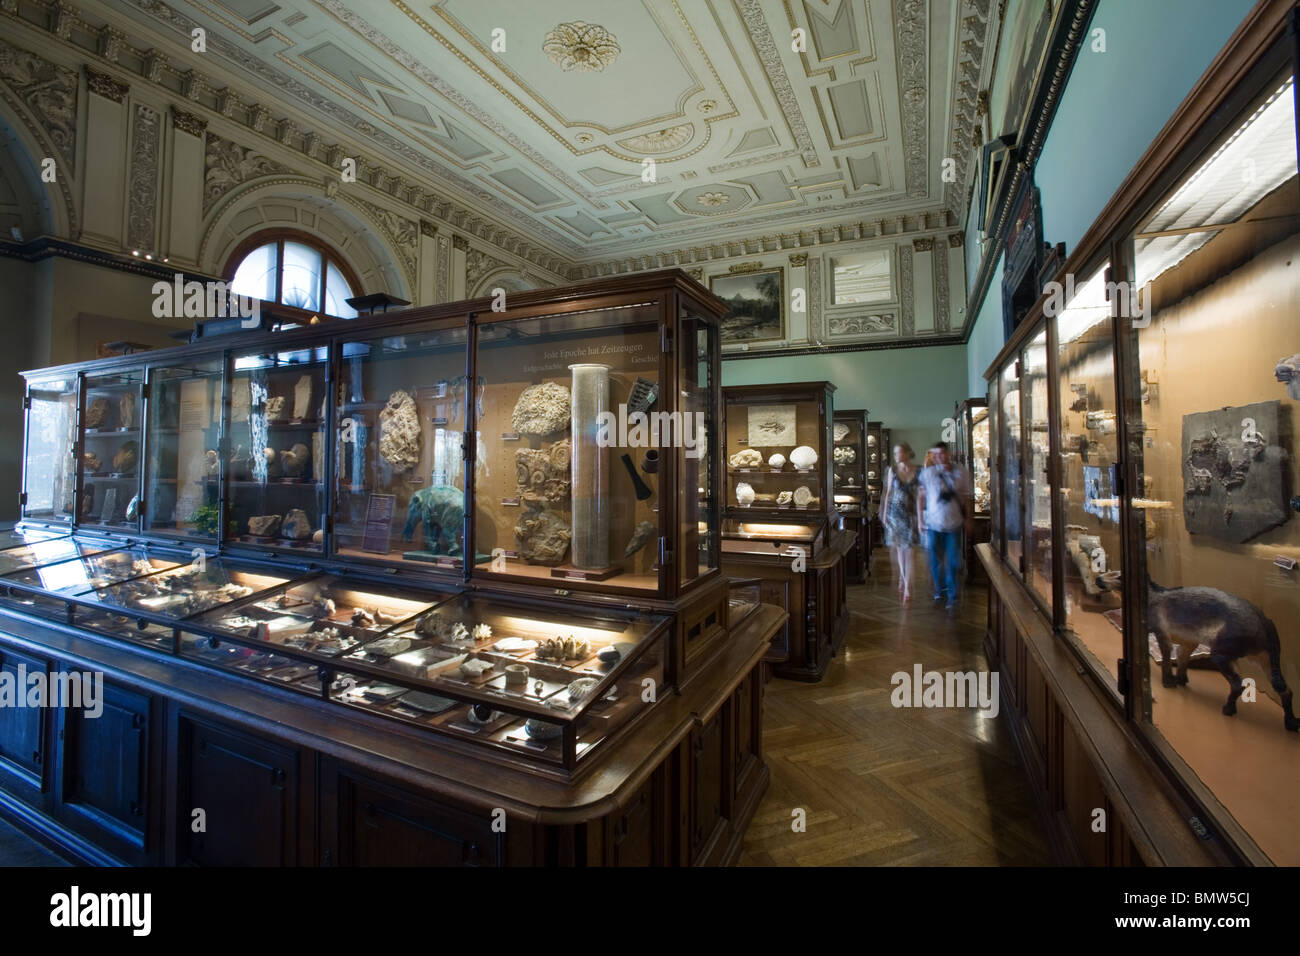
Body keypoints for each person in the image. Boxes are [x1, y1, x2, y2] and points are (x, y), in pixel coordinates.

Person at [916, 441, 973, 609]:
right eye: (937, 454)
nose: (940, 457)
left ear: (948, 454)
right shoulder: (928, 473)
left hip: (954, 524)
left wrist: (969, 519)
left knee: (953, 560)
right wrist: (920, 520)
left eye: (943, 453)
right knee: (935, 560)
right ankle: (939, 589)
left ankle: (952, 595)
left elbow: (968, 497)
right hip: (933, 524)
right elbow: (920, 498)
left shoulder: (961, 472)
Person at [880, 443, 919, 602]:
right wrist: (883, 512)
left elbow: (921, 494)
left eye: (900, 452)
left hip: (911, 514)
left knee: (909, 551)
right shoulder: (892, 470)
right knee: (900, 551)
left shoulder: (917, 470)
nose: (897, 456)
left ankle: (906, 582)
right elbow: (888, 493)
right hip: (895, 514)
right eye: (895, 453)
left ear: (908, 453)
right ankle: (904, 580)